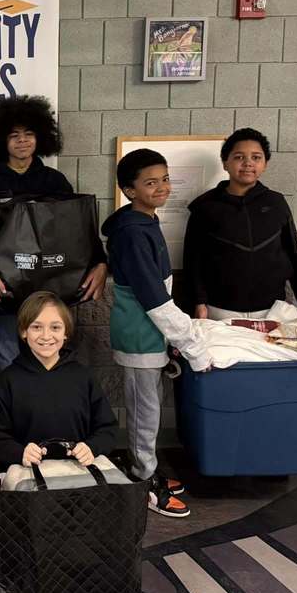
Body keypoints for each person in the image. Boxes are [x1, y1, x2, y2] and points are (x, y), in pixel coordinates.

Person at [102, 149, 212, 518]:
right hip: (140, 335)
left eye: (165, 179)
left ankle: (146, 466)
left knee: (149, 408)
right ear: (129, 190)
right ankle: (143, 480)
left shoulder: (144, 221)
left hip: (151, 333)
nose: (162, 187)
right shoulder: (133, 233)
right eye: (151, 182)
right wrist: (192, 345)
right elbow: (155, 300)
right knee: (144, 413)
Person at [0, 95, 108, 371]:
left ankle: (48, 398)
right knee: (7, 357)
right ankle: (13, 399)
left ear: (40, 136)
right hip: (3, 287)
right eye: (14, 135)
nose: (22, 140)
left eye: (29, 133)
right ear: (1, 140)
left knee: (51, 354)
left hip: (50, 286)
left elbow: (78, 230)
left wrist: (100, 263)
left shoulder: (54, 180)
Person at [184, 128, 297, 320]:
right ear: (225, 163)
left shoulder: (276, 202)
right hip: (221, 310)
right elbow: (193, 261)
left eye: (256, 157)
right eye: (239, 157)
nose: (248, 163)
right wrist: (198, 302)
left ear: (265, 164)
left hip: (272, 310)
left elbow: (295, 256)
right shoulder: (204, 207)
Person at [0, 291, 119, 473]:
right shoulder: (8, 380)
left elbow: (107, 429)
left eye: (55, 327)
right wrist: (19, 452)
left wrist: (91, 447)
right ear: (24, 331)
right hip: (28, 475)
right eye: (36, 327)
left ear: (66, 332)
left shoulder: (83, 376)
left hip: (78, 474)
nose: (46, 335)